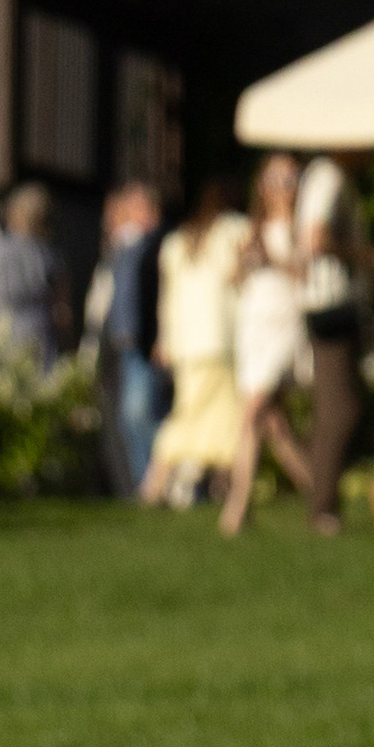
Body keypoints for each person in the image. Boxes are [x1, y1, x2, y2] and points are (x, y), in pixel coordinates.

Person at [140, 179, 249, 506]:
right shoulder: (234, 230)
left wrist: (164, 339)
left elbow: (167, 298)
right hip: (219, 340)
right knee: (206, 420)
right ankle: (154, 486)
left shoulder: (175, 242)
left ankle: (221, 491)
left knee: (207, 416)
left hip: (187, 343)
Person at [220, 153, 312, 538]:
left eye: (290, 178)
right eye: (276, 178)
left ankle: (237, 507)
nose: (283, 187)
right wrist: (244, 263)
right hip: (255, 325)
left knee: (252, 412)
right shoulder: (254, 227)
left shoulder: (302, 226)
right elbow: (234, 279)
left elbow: (304, 274)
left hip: (283, 324)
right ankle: (319, 492)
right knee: (273, 426)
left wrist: (273, 260)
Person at [295, 148, 373, 532]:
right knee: (339, 410)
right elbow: (318, 238)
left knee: (337, 408)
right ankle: (323, 506)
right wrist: (372, 259)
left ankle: (324, 501)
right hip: (331, 305)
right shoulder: (328, 177)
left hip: (334, 304)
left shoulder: (325, 177)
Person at [92, 182, 167, 498]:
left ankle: (156, 481)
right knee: (129, 415)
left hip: (145, 340)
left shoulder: (155, 245)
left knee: (141, 412)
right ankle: (145, 484)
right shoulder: (123, 247)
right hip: (123, 341)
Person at [0, 183, 72, 368]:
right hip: (40, 341)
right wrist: (69, 347)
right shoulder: (52, 256)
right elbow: (62, 312)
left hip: (0, 338)